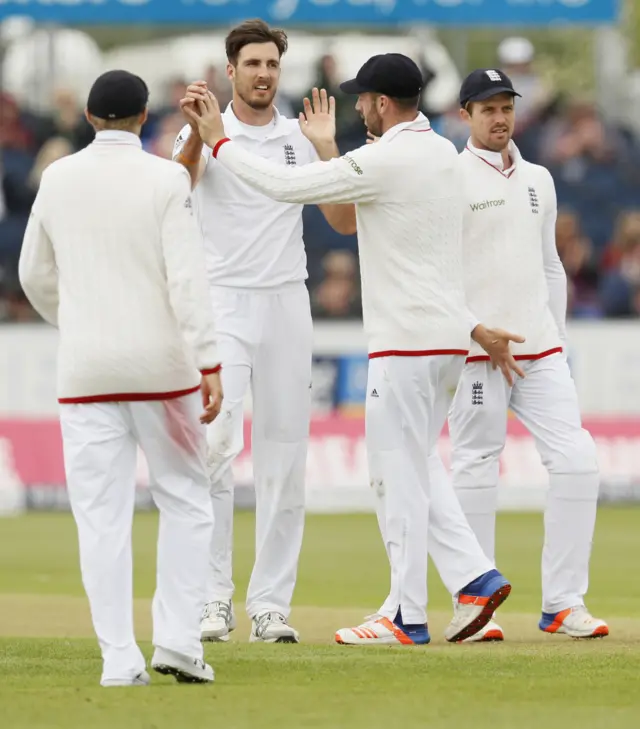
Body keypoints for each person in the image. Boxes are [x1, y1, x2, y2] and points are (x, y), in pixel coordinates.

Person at [182, 53, 520, 646]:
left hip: (405, 344)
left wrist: (219, 143)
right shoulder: (442, 151)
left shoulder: (385, 157)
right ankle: (474, 577)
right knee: (417, 465)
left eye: (363, 98)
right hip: (445, 338)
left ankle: (404, 614)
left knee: (394, 475)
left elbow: (284, 187)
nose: (357, 106)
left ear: (383, 104)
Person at [18, 70, 223, 686]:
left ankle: (118, 660)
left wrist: (77, 320)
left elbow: (33, 274)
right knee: (187, 501)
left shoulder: (56, 177)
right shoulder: (166, 178)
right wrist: (209, 360)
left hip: (86, 373)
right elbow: (187, 277)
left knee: (100, 519)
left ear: (87, 114)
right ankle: (180, 643)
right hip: (163, 374)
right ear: (143, 115)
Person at [173, 19, 355, 644]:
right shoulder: (203, 130)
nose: (263, 75)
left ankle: (271, 605)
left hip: (285, 303)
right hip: (223, 304)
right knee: (217, 449)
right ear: (231, 71)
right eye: (252, 64)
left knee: (284, 458)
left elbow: (343, 221)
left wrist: (328, 149)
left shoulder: (299, 137)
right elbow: (177, 190)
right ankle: (212, 599)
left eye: (272, 65)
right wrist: (202, 135)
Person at [444, 68, 607, 641]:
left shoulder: (539, 177)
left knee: (578, 459)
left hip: (540, 352)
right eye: (487, 108)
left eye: (506, 106)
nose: (500, 117)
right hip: (477, 354)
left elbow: (550, 266)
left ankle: (563, 604)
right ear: (466, 115)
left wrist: (554, 340)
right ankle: (472, 600)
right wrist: (474, 331)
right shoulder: (449, 176)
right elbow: (436, 275)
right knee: (475, 466)